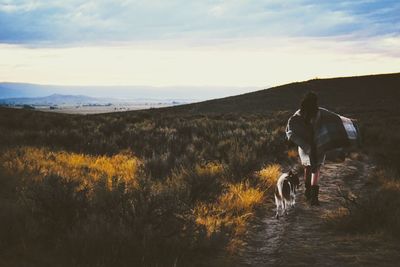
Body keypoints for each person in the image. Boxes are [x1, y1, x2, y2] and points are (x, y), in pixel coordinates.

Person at [286, 92, 359, 206]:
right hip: (318, 145)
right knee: (316, 169)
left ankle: (308, 192)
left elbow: (290, 129)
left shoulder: (298, 114)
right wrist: (350, 122)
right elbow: (336, 118)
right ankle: (314, 198)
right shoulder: (320, 112)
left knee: (307, 167)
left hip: (305, 147)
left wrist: (302, 142)